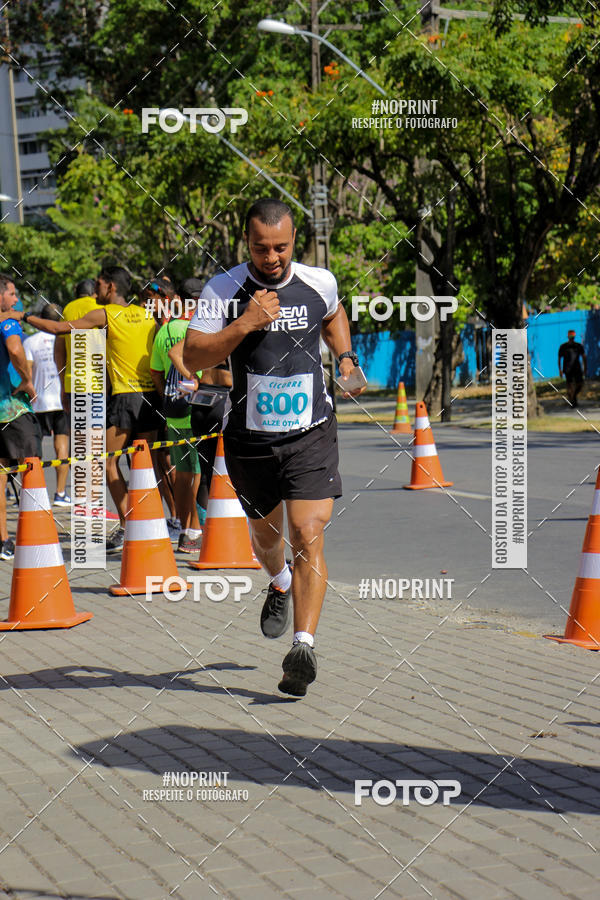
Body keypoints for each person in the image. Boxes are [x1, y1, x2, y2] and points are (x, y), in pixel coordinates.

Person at [183, 198, 364, 697]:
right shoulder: (224, 289)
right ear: (248, 243)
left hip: (311, 433)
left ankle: (303, 647)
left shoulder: (318, 281)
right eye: (262, 249)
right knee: (267, 540)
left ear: (293, 240)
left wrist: (345, 359)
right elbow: (194, 354)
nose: (272, 258)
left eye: (281, 248)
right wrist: (245, 323)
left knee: (308, 531)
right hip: (250, 440)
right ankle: (279, 580)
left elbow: (332, 315)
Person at [23, 266, 161, 551]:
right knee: (144, 465)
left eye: (99, 284)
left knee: (106, 462)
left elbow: (59, 328)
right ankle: (154, 526)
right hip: (151, 397)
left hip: (125, 397)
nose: (96, 289)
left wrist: (23, 316)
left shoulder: (106, 314)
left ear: (111, 287)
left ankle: (129, 525)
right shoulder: (147, 313)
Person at [167, 277, 231, 527]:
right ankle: (224, 530)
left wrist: (192, 377)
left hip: (202, 398)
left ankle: (200, 530)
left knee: (204, 471)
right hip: (224, 399)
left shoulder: (204, 329)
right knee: (228, 467)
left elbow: (175, 353)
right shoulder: (232, 327)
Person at [150, 290, 203, 553]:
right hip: (197, 409)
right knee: (197, 473)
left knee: (183, 472)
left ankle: (185, 529)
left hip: (174, 410)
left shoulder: (163, 331)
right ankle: (195, 530)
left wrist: (165, 396)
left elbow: (155, 372)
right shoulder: (199, 329)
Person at [0, 274, 42, 560]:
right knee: (32, 469)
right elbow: (15, 349)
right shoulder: (7, 322)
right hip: (12, 409)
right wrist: (27, 380)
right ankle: (36, 537)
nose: (16, 300)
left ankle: (3, 540)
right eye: (12, 294)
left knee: (1, 476)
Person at [23, 303, 71, 506]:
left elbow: (26, 372)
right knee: (62, 448)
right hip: (60, 400)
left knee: (35, 451)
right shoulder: (64, 339)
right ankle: (60, 493)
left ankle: (36, 494)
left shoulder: (30, 342)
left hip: (38, 401)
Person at [54, 278, 99, 413]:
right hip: (98, 383)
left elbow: (59, 351)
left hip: (73, 383)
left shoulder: (68, 309)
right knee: (97, 432)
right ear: (95, 293)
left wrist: (62, 385)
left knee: (77, 432)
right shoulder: (101, 308)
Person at [558, 330, 586, 408]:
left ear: (574, 337)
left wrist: (585, 368)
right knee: (569, 385)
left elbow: (584, 357)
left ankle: (573, 397)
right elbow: (559, 358)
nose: (571, 338)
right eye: (570, 336)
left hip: (577, 368)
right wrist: (560, 370)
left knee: (580, 384)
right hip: (567, 369)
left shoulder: (578, 346)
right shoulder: (563, 347)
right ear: (568, 337)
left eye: (572, 336)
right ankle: (572, 402)